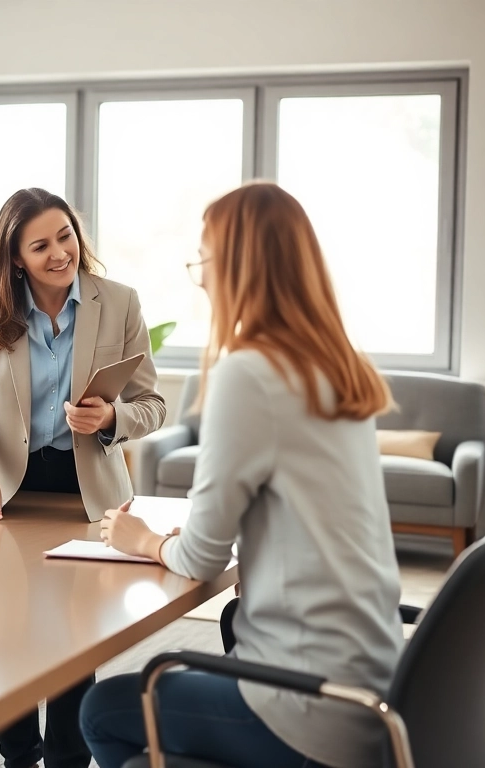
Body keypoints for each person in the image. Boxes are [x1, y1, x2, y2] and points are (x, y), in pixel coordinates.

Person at [81, 181, 404, 768]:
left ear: (237, 267)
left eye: (204, 258)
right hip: (372, 677)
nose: (200, 275)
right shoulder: (336, 365)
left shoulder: (249, 374)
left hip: (312, 706)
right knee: (233, 621)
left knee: (102, 710)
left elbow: (203, 556)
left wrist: (144, 541)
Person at [0, 187, 166, 768]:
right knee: (1, 627)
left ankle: (69, 758)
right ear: (15, 257)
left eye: (65, 236)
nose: (59, 253)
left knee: (74, 631)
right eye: (40, 246)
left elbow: (154, 404)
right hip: (9, 493)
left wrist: (113, 416)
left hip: (87, 492)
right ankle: (19, 754)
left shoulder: (119, 302)